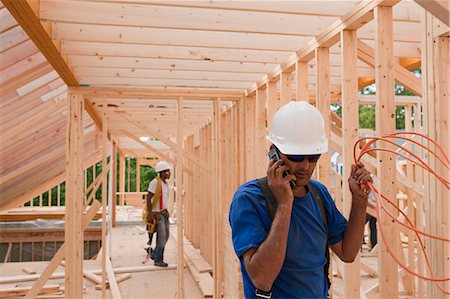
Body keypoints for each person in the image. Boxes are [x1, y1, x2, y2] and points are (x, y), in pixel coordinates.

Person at [229, 101, 373, 299]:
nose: (305, 165)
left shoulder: (318, 194)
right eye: (296, 157)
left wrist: (359, 200)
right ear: (274, 152)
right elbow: (262, 278)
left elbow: (348, 253)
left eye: (313, 156)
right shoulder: (249, 199)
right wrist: (285, 204)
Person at [143, 160, 171, 267]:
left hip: (163, 213)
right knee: (161, 236)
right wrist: (151, 214)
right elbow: (149, 197)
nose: (169, 173)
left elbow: (162, 199)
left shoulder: (165, 184)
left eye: (169, 171)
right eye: (166, 171)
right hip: (157, 214)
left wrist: (166, 209)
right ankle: (158, 259)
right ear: (161, 172)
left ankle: (154, 253)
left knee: (166, 235)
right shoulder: (155, 182)